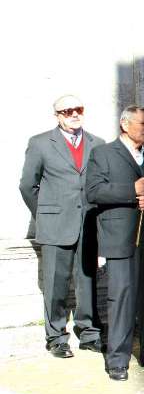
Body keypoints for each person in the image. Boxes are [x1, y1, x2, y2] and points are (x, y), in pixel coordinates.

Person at [85, 105, 144, 381]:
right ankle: (118, 359)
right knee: (122, 297)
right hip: (121, 239)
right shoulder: (103, 154)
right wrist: (132, 192)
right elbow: (94, 191)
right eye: (142, 124)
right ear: (125, 125)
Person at [19, 95, 104, 358]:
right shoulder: (40, 143)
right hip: (55, 224)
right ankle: (56, 336)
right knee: (55, 283)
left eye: (78, 109)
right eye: (67, 111)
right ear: (57, 116)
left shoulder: (97, 144)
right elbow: (27, 185)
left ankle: (89, 333)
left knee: (87, 281)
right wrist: (44, 214)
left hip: (87, 224)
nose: (74, 115)